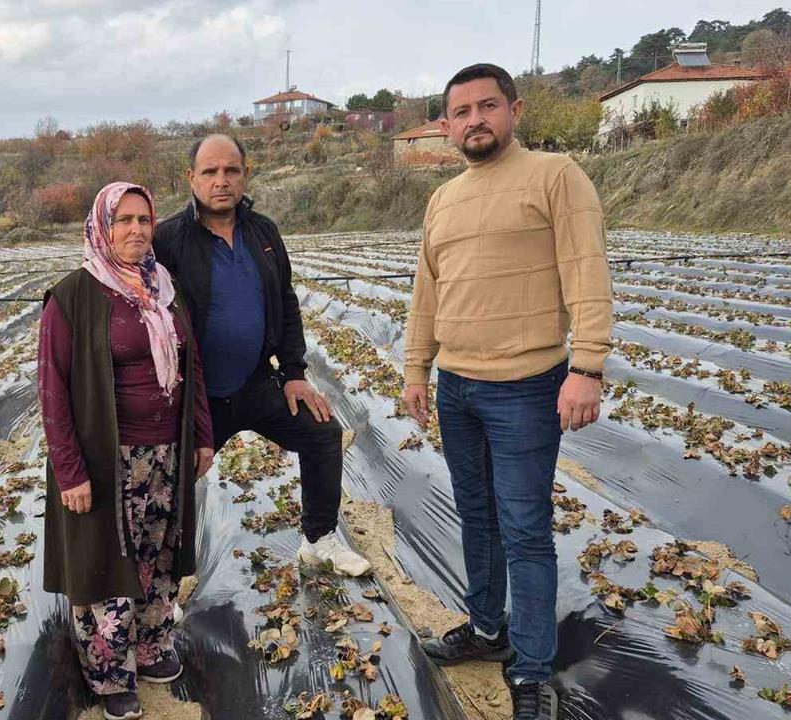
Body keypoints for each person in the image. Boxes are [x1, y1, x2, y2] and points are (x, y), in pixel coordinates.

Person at [402, 63, 614, 720]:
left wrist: (587, 367)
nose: (475, 120)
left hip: (526, 386)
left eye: (487, 106)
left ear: (514, 111)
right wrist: (416, 369)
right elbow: (428, 292)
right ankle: (487, 628)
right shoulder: (443, 199)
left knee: (524, 529)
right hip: (458, 388)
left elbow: (587, 271)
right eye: (461, 112)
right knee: (478, 516)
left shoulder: (555, 176)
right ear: (446, 126)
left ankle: (530, 668)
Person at [153, 134, 370, 576]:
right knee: (174, 476)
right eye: (210, 172)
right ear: (191, 178)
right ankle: (166, 578)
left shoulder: (263, 232)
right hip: (198, 396)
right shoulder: (168, 240)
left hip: (255, 382)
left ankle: (318, 540)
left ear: (245, 174)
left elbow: (285, 301)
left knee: (322, 432)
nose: (221, 180)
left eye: (231, 170)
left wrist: (293, 373)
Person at [38, 181, 214, 720]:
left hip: (166, 452)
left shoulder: (165, 288)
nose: (136, 230)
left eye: (144, 220)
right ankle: (110, 672)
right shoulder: (73, 296)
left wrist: (202, 435)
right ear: (102, 227)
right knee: (105, 562)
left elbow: (191, 367)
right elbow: (52, 389)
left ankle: (152, 646)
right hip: (106, 458)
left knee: (158, 553)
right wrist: (70, 471)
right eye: (124, 220)